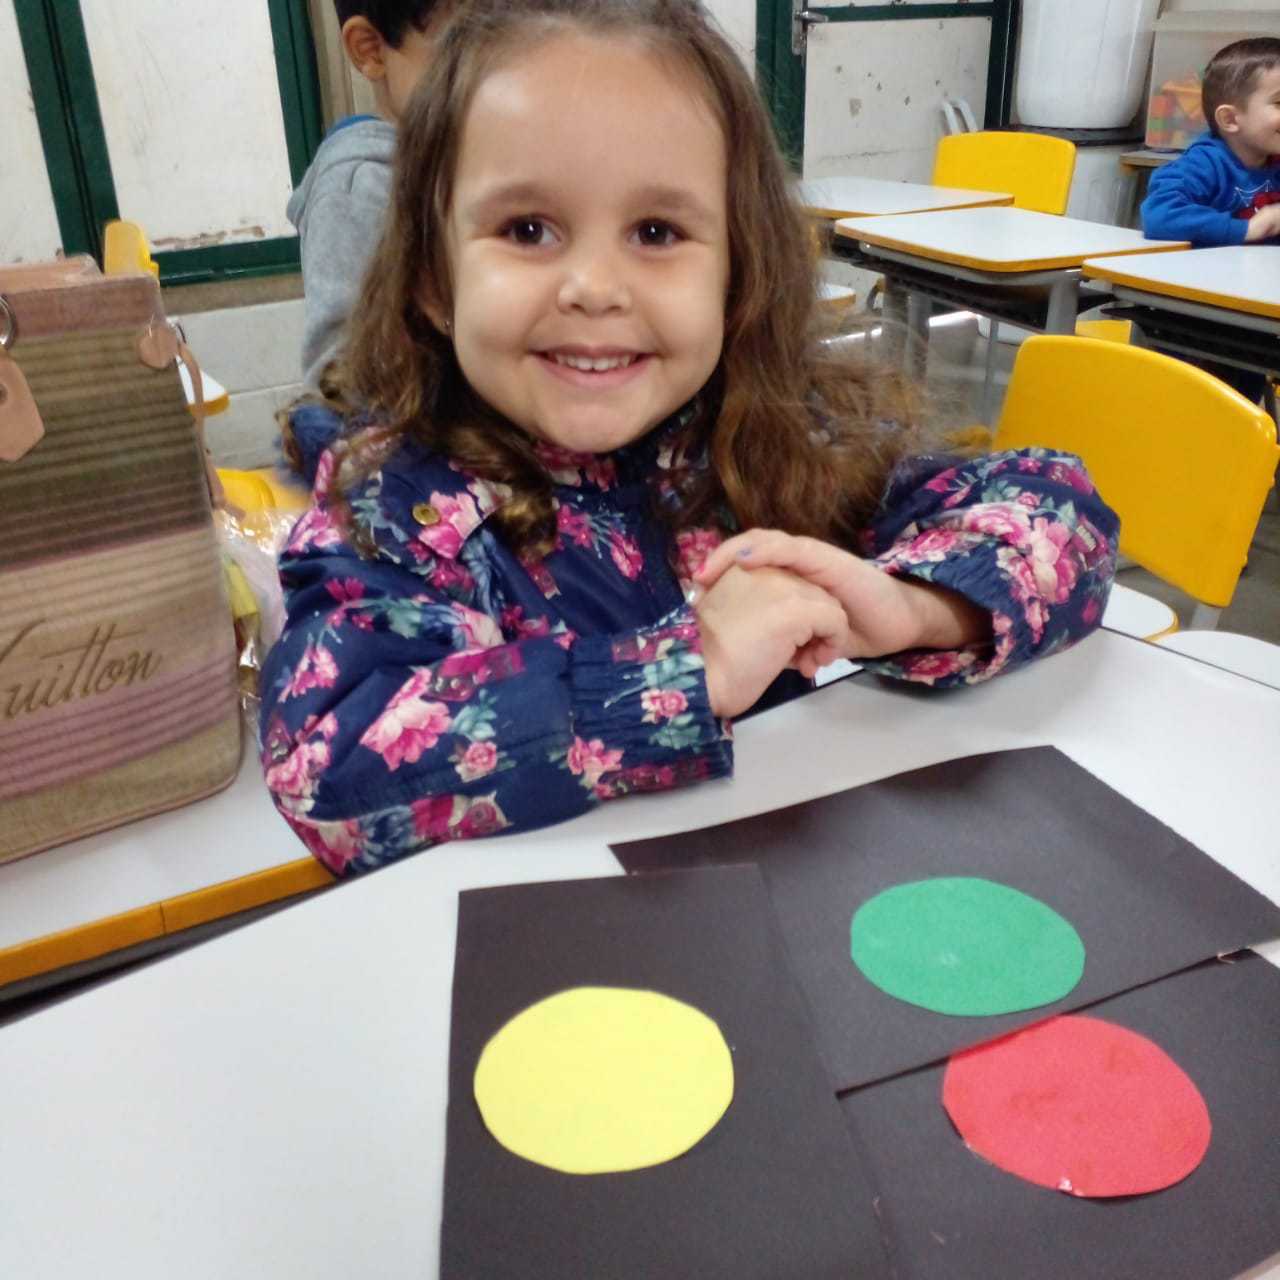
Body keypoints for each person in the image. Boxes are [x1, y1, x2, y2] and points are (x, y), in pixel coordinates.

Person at [259, 0, 1118, 878]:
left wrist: (912, 607)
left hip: (785, 903)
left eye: (657, 233)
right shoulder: (399, 502)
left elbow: (1062, 511)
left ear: (736, 274)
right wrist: (686, 670)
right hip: (557, 937)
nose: (595, 287)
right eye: (527, 230)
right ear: (435, 282)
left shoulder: (781, 434)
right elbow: (325, 765)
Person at [288, 1, 453, 393]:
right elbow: (339, 374)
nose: (492, 74)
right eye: (459, 47)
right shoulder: (359, 186)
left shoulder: (473, 156)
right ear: (371, 49)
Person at [1142, 36, 1280, 246]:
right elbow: (1160, 215)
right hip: (1208, 266)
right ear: (1230, 119)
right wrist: (1247, 229)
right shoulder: (1203, 165)